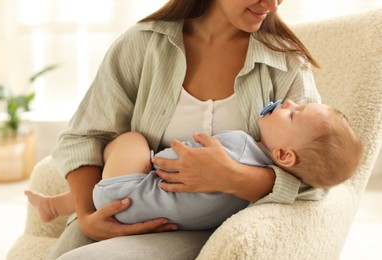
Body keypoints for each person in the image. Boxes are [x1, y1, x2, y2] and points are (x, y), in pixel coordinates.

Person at [46, 0, 332, 258]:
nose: (272, 5)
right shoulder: (143, 44)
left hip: (213, 229)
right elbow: (86, 136)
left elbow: (316, 172)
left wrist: (234, 178)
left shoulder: (286, 62)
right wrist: (86, 215)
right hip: (120, 206)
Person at [25, 100, 363, 231]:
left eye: (293, 113)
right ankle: (54, 206)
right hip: (155, 217)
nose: (287, 101)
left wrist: (156, 157)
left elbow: (168, 163)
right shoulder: (258, 195)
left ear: (286, 156)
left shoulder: (238, 145)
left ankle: (63, 199)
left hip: (129, 194)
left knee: (132, 141)